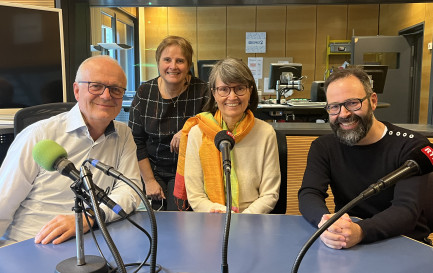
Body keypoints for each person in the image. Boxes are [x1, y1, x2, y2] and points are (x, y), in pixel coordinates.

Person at [0, 55, 142, 247]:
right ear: (77, 90)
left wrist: (91, 217)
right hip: (33, 246)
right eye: (96, 86)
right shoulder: (38, 135)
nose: (107, 95)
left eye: (115, 89)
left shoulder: (123, 134)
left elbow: (130, 190)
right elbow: (2, 205)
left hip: (94, 243)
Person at [298, 67, 432, 249]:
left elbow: (406, 210)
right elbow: (309, 193)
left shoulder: (412, 147)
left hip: (404, 243)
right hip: (348, 243)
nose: (344, 114)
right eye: (334, 106)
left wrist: (360, 231)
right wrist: (326, 223)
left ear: (373, 101)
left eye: (353, 103)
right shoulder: (323, 147)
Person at [174, 57, 281, 213]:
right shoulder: (198, 133)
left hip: (253, 220)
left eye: (239, 88)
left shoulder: (266, 133)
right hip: (211, 217)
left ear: (250, 91)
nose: (232, 97)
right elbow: (196, 196)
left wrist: (243, 218)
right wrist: (219, 212)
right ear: (214, 93)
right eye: (224, 89)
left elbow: (270, 194)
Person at [128, 36, 208, 211]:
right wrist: (149, 181)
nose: (173, 66)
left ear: (188, 65)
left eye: (180, 61)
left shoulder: (202, 90)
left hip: (187, 169)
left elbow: (212, 124)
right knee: (153, 217)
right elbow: (136, 141)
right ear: (158, 62)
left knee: (177, 218)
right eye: (167, 60)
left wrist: (187, 130)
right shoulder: (145, 92)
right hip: (150, 168)